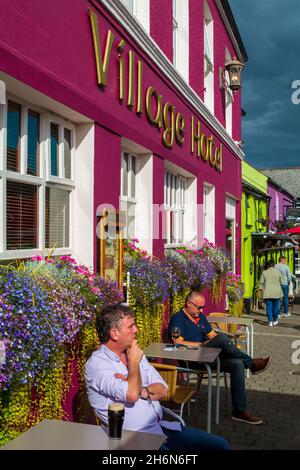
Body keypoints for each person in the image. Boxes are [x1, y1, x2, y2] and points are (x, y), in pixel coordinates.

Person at [85, 304, 230, 450]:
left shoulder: (134, 352)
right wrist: (134, 363)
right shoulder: (98, 364)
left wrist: (142, 390)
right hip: (132, 439)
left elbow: (163, 389)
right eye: (131, 326)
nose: (136, 330)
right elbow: (131, 395)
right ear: (114, 333)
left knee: (220, 446)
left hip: (161, 429)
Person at [168, 290, 272, 425]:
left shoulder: (200, 317)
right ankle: (252, 364)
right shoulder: (178, 318)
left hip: (209, 356)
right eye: (199, 307)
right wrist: (201, 345)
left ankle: (239, 411)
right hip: (193, 359)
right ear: (189, 304)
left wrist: (217, 345)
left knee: (237, 364)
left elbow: (212, 336)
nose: (201, 310)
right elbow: (178, 343)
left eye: (203, 308)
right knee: (222, 339)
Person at [259, 260, 284, 326]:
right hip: (277, 293)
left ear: (268, 265)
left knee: (269, 308)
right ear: (274, 265)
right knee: (276, 308)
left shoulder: (264, 272)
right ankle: (275, 320)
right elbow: (282, 282)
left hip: (267, 292)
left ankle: (270, 321)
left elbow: (261, 282)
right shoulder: (278, 272)